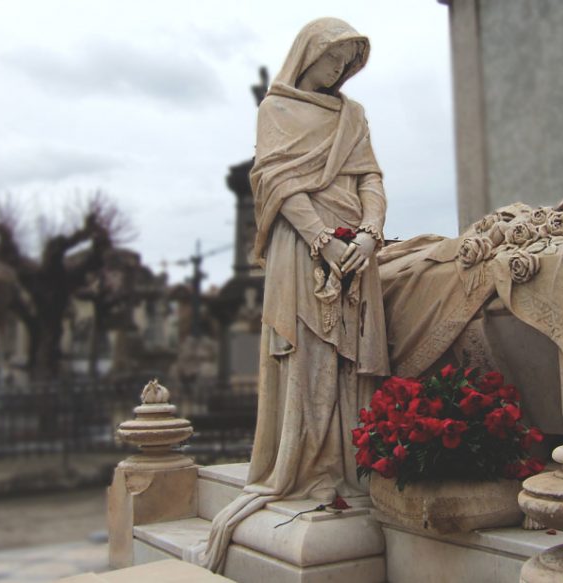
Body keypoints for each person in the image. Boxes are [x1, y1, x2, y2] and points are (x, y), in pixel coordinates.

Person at [200, 17, 390, 573]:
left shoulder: (352, 115)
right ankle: (306, 468)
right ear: (307, 54)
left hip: (357, 250)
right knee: (308, 352)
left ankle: (349, 469)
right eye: (332, 58)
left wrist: (371, 236)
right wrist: (323, 241)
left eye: (348, 62)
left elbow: (370, 177)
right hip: (304, 248)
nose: (339, 70)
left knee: (351, 363)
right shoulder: (275, 109)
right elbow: (279, 183)